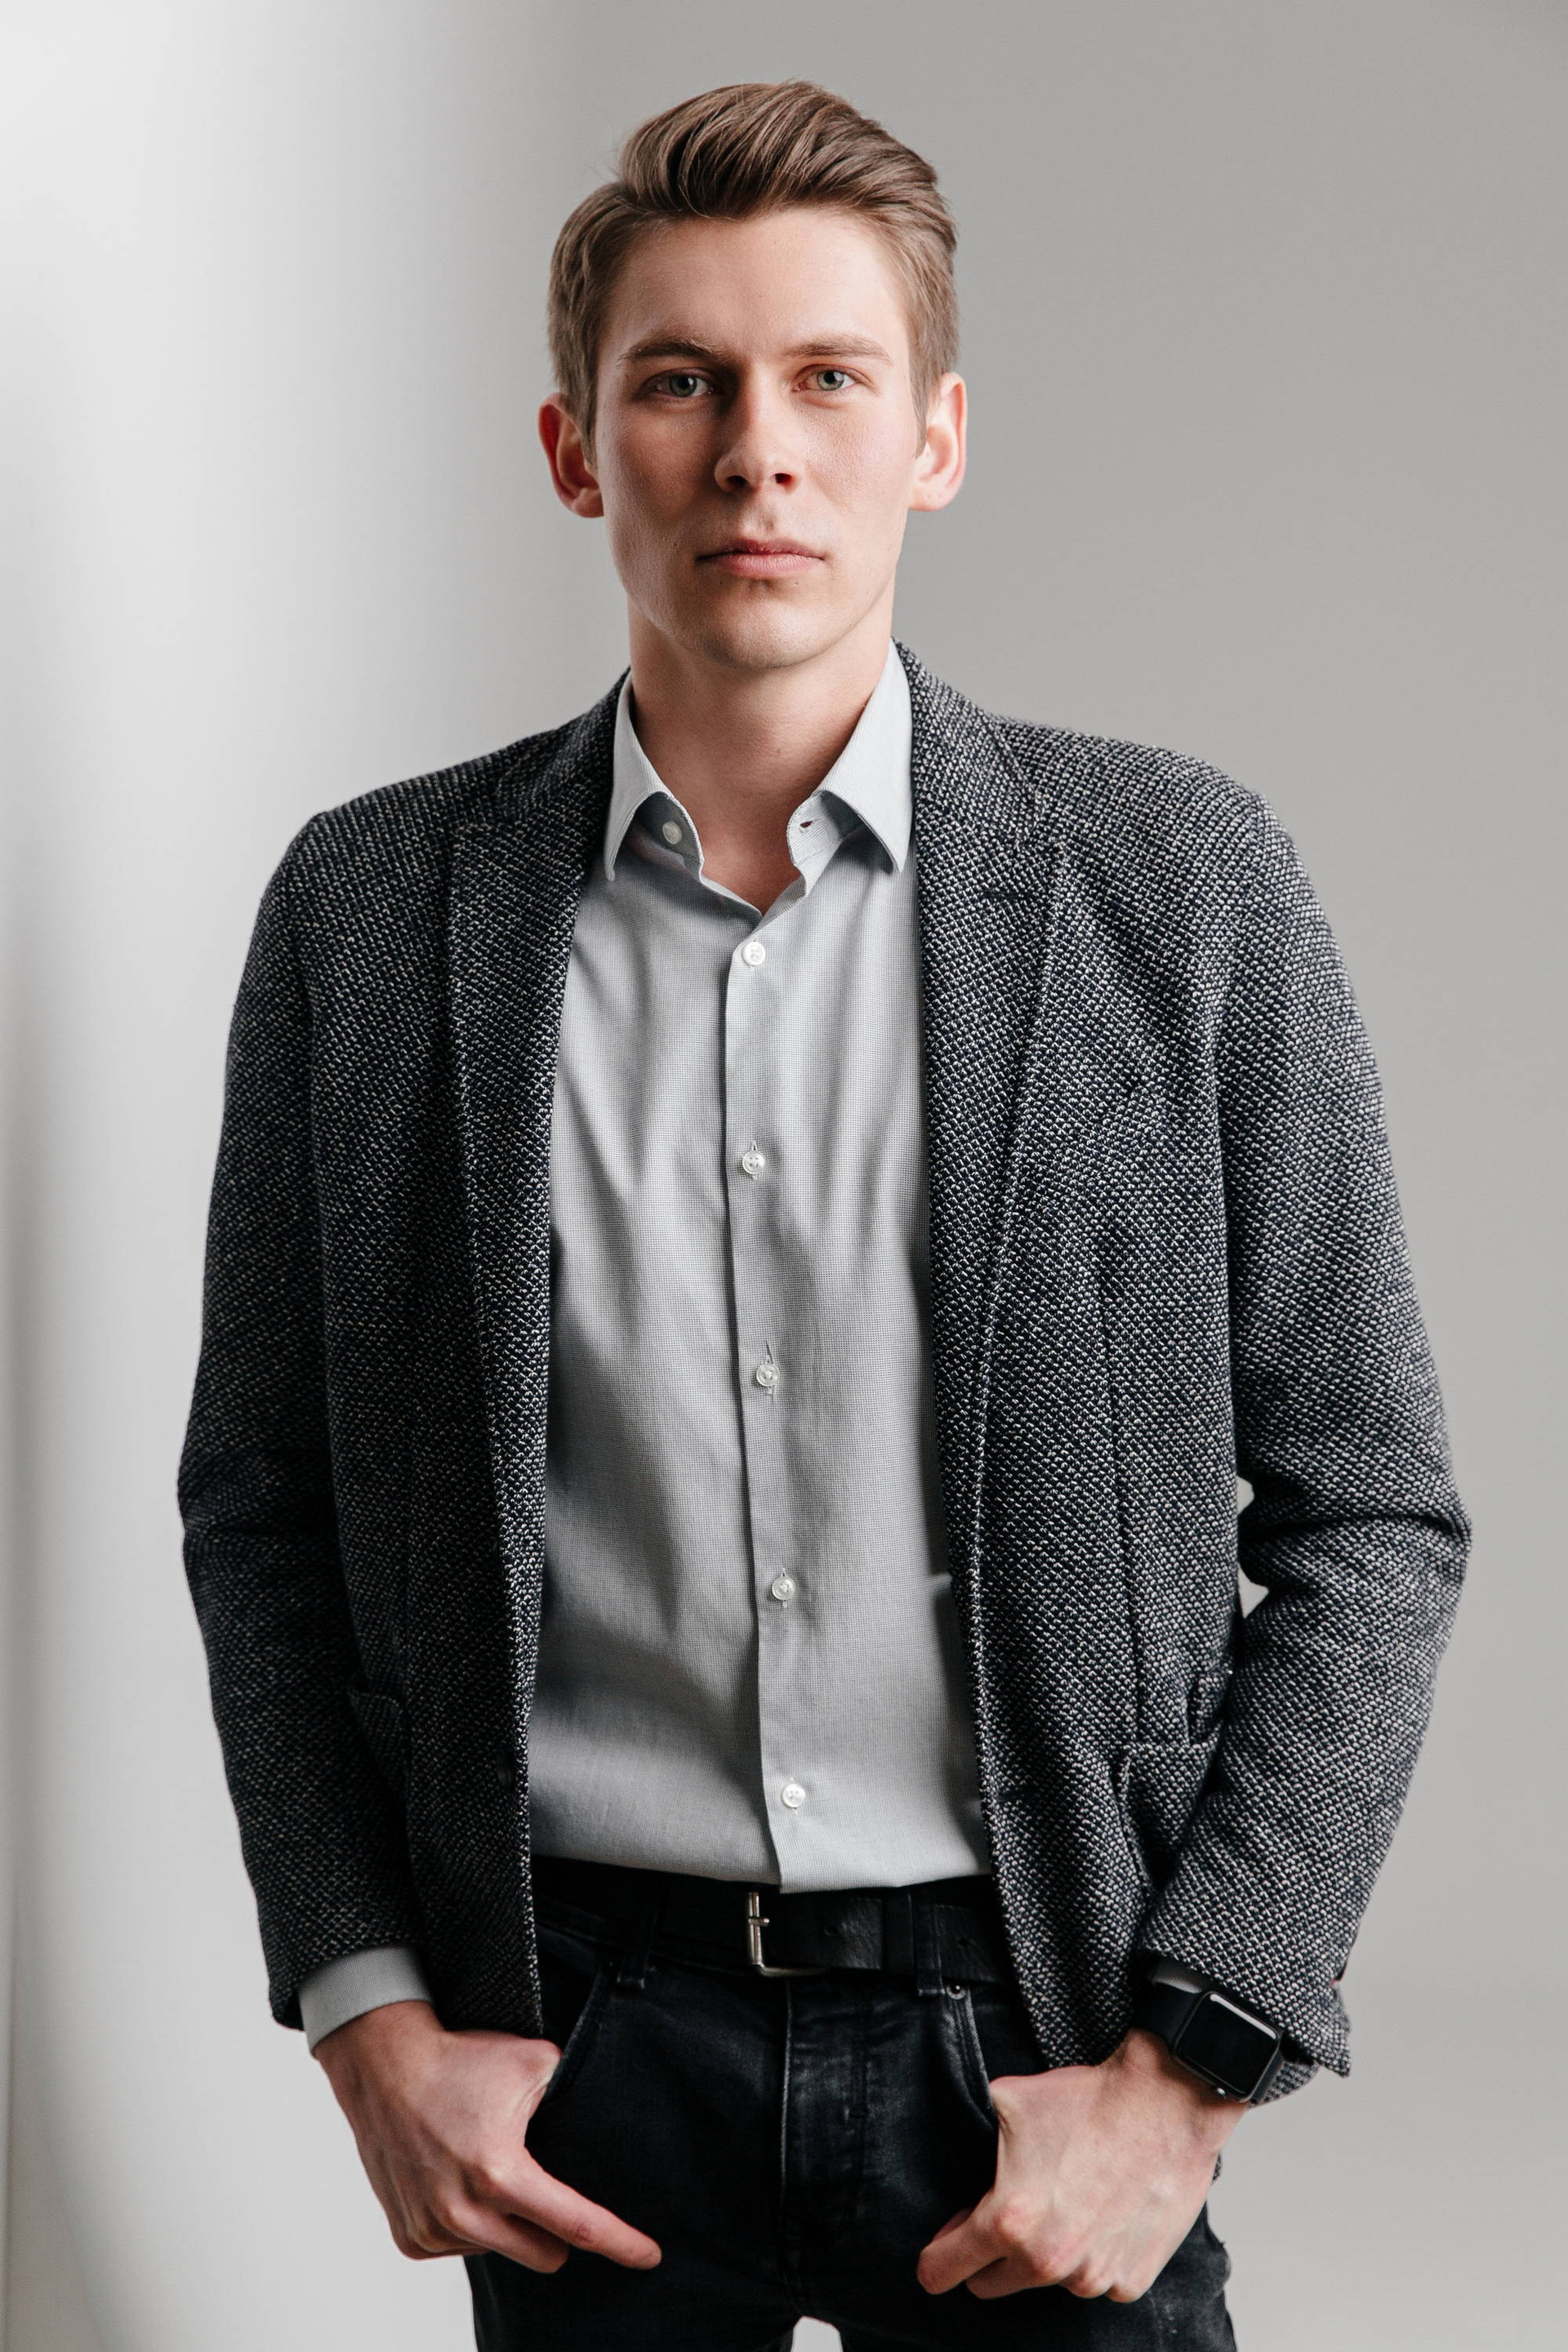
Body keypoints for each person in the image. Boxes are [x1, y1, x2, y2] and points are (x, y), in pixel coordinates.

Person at [177, 78, 1470, 2351]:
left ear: (934, 437)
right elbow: (263, 1509)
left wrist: (1187, 2071)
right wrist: (366, 2010)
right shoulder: (375, 910)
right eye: (681, 383)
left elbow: (1374, 1511)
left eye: (829, 380)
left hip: (1036, 2026)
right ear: (576, 449)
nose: (756, 453)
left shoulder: (1176, 885)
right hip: (575, 2043)